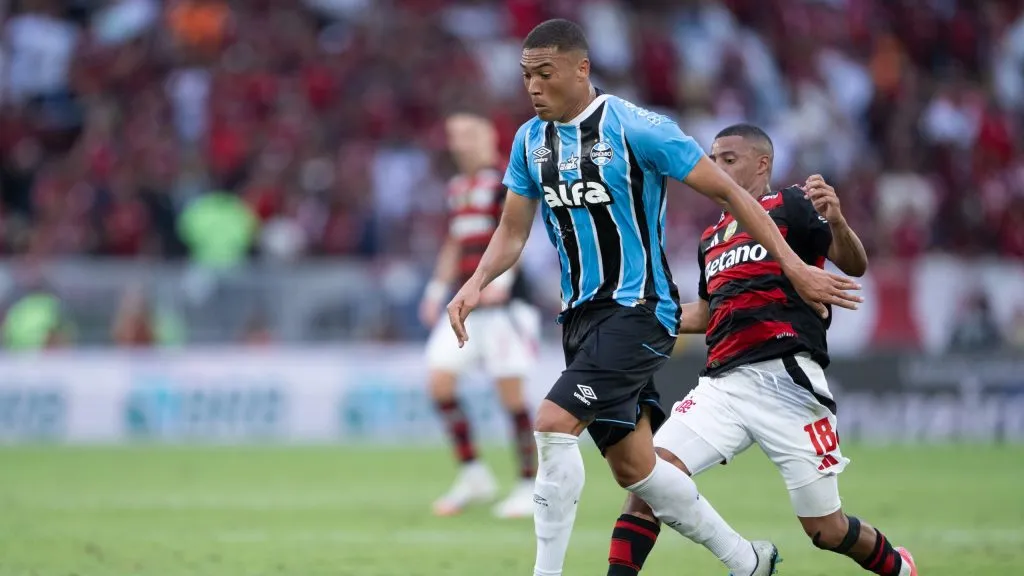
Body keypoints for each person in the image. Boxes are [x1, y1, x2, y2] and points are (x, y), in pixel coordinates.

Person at [445, 19, 862, 576]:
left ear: (581, 69)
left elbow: (730, 192)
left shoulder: (635, 126)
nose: (534, 87)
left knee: (550, 422)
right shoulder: (529, 141)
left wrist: (794, 267)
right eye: (526, 76)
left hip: (639, 311)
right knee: (636, 469)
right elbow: (513, 231)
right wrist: (475, 282)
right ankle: (748, 560)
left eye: (545, 74)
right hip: (580, 319)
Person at [605, 124, 918, 576]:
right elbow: (708, 313)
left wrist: (838, 221)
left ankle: (901, 569)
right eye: (712, 159)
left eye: (728, 159)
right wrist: (637, 317)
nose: (716, 167)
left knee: (825, 529)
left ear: (762, 164)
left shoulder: (789, 204)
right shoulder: (711, 238)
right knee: (651, 480)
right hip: (722, 385)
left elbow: (854, 263)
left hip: (787, 379)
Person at [420, 111, 541, 519]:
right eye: (453, 135)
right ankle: (473, 473)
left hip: (505, 307)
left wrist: (500, 284)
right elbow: (456, 242)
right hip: (467, 305)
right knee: (439, 383)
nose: (459, 143)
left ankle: (529, 483)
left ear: (489, 138)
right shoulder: (458, 188)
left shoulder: (504, 182)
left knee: (510, 396)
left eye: (467, 134)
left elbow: (516, 234)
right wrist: (437, 289)